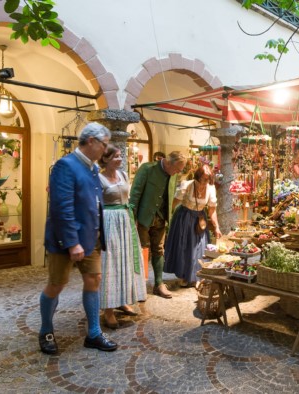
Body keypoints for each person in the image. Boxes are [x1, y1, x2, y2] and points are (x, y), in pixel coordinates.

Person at [39, 122, 118, 354]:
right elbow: (62, 208)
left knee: (94, 280)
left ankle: (93, 333)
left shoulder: (92, 168)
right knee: (57, 283)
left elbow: (95, 203)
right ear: (91, 141)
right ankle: (46, 330)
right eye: (104, 144)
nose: (105, 150)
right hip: (66, 239)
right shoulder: (66, 165)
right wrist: (72, 243)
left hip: (91, 236)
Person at [98, 146, 147, 329]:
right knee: (111, 263)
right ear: (105, 159)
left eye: (120, 156)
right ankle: (108, 309)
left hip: (125, 221)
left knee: (125, 262)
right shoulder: (99, 178)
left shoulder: (124, 175)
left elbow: (127, 200)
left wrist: (131, 220)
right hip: (109, 222)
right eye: (116, 156)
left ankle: (122, 300)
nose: (120, 159)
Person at [129, 150, 188, 298]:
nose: (177, 173)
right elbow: (135, 193)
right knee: (139, 250)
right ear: (168, 162)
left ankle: (159, 284)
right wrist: (132, 218)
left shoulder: (173, 175)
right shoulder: (147, 169)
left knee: (159, 250)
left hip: (161, 218)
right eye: (177, 169)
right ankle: (136, 286)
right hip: (143, 218)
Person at [164, 164, 223, 287]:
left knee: (199, 248)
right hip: (184, 218)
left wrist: (216, 226)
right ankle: (184, 275)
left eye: (207, 179)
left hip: (199, 220)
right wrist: (168, 218)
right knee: (184, 247)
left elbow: (212, 210)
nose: (204, 182)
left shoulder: (211, 189)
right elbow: (174, 204)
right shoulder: (188, 185)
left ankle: (198, 276)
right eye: (202, 179)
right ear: (197, 177)